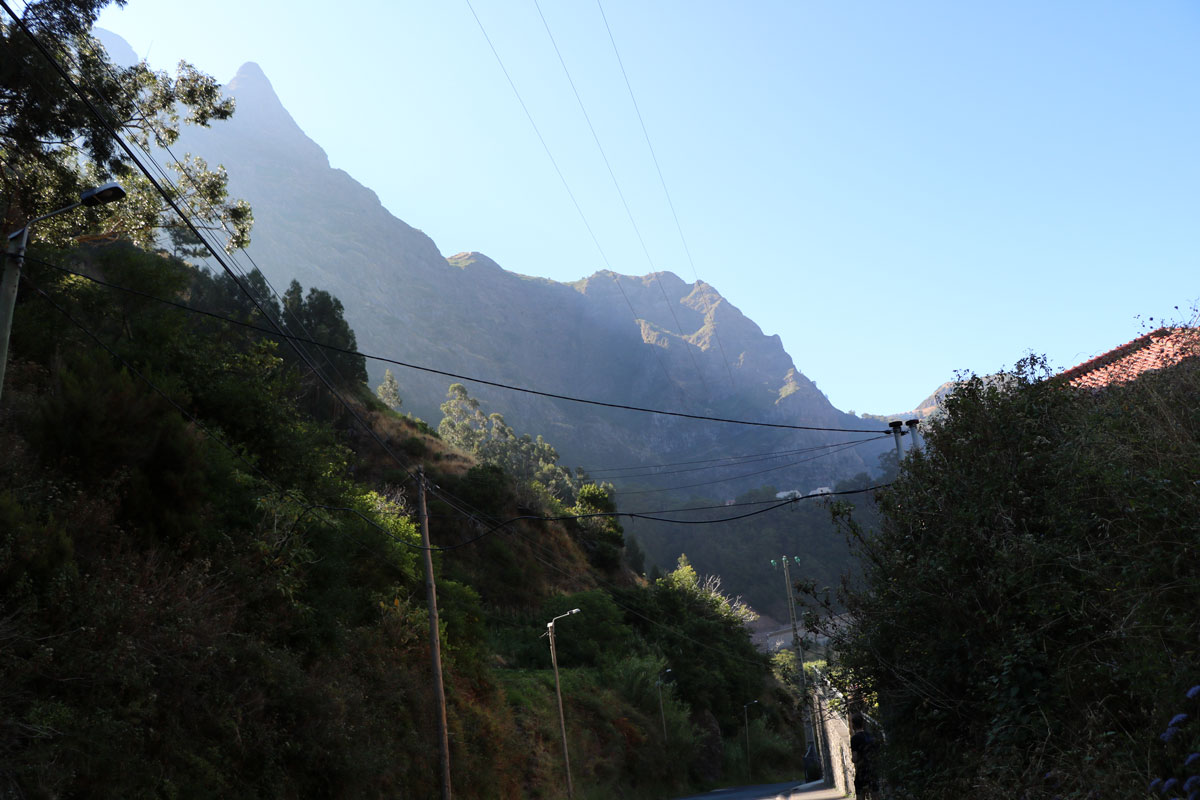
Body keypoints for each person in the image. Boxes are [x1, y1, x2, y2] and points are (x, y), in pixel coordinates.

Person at [850, 713, 880, 799]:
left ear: (853, 725)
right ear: (863, 723)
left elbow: (855, 758)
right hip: (872, 768)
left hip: (862, 770)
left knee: (860, 791)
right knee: (875, 792)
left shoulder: (855, 739)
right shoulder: (871, 736)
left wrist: (854, 759)